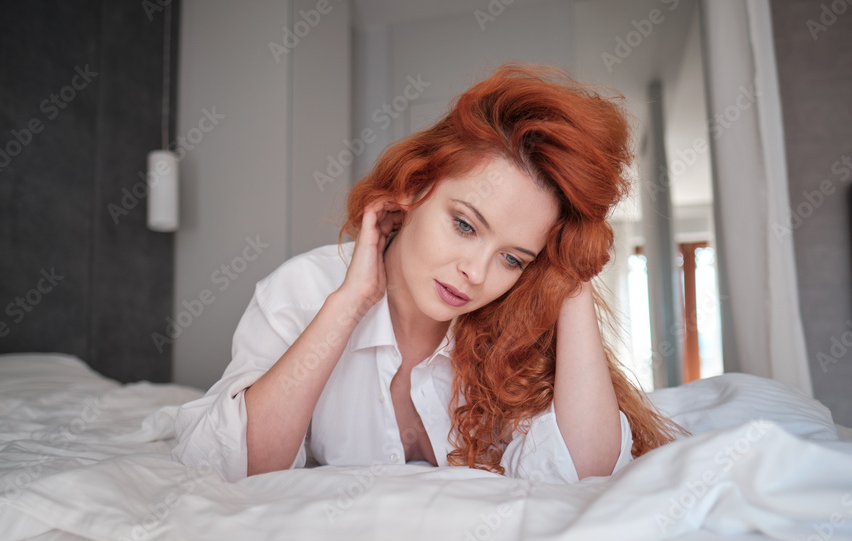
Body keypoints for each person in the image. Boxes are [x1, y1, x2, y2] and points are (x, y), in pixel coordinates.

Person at [173, 63, 684, 484]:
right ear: (415, 186)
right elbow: (238, 466)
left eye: (512, 258)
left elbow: (588, 471)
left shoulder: (520, 317)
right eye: (464, 225)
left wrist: (571, 270)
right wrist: (349, 304)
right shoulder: (302, 289)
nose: (476, 272)